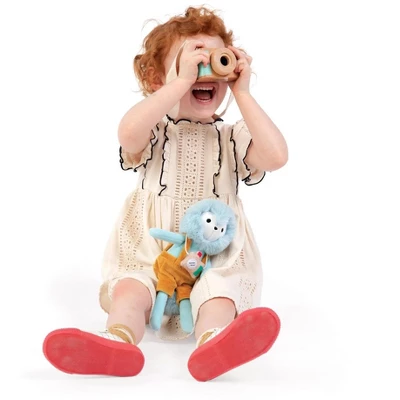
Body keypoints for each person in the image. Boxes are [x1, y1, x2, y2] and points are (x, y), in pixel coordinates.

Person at [42, 5, 288, 382]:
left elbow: (276, 156)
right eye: (192, 60)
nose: (204, 69)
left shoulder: (232, 137)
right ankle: (118, 340)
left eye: (216, 59)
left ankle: (215, 341)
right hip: (149, 251)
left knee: (219, 291)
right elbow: (128, 134)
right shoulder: (156, 130)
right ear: (157, 80)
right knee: (131, 289)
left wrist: (243, 93)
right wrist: (178, 83)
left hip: (212, 255)